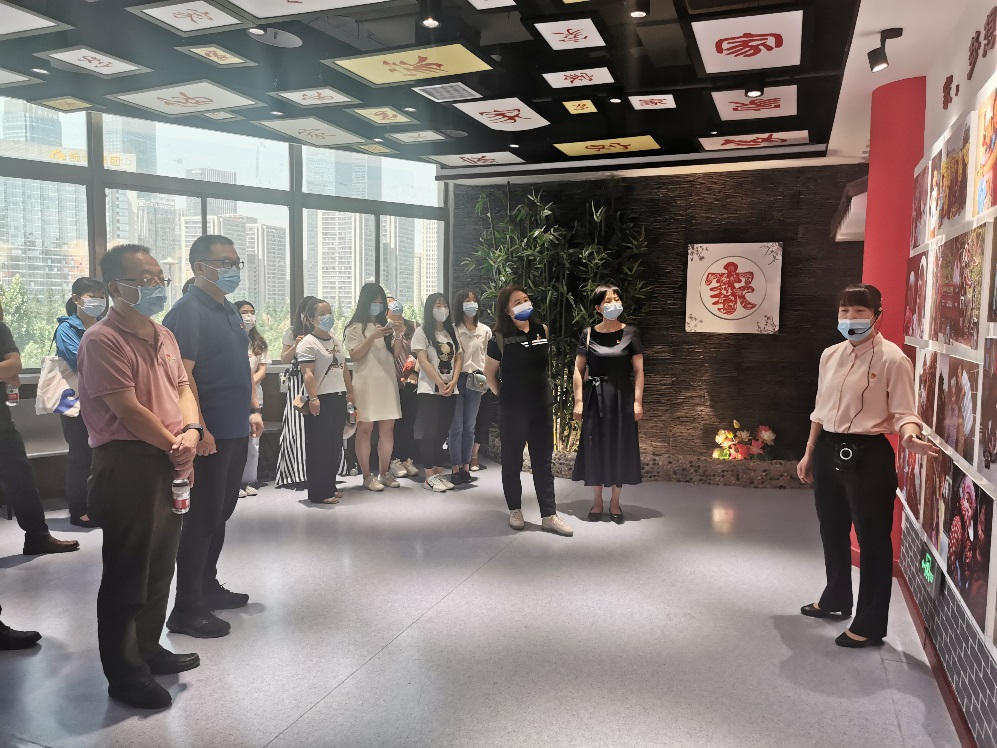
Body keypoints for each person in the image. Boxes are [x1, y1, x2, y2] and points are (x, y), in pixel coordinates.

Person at [76, 243, 200, 709]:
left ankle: (148, 648)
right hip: (128, 461)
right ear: (116, 287)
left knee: (160, 564)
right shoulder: (102, 340)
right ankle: (125, 674)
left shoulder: (162, 333)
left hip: (170, 453)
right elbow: (126, 409)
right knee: (127, 572)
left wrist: (191, 430)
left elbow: (183, 387)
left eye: (159, 278)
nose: (156, 287)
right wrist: (175, 445)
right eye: (145, 280)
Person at [797, 284, 938, 648]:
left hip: (868, 456)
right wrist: (810, 452)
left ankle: (870, 624)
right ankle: (835, 597)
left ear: (877, 315)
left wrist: (909, 437)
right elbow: (820, 409)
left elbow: (906, 412)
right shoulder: (830, 355)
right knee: (831, 529)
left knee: (873, 540)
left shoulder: (893, 359)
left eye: (859, 311)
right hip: (828, 449)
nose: (850, 318)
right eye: (844, 311)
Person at [163, 235, 263, 640]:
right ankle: (186, 608)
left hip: (234, 428)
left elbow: (237, 366)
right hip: (209, 434)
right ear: (198, 267)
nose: (232, 269)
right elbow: (181, 377)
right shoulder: (187, 311)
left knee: (220, 514)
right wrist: (199, 427)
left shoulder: (228, 308)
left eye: (236, 262)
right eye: (223, 262)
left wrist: (252, 410)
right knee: (201, 520)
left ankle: (208, 587)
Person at [484, 286, 573, 537]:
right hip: (513, 409)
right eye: (517, 302)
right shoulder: (499, 338)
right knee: (512, 461)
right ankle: (515, 509)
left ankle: (549, 515)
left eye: (526, 299)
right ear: (506, 310)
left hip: (541, 407)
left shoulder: (541, 330)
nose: (524, 304)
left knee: (543, 463)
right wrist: (505, 396)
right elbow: (490, 374)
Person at [0, 299, 80, 556]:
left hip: (2, 426)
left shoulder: (0, 329)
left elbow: (14, 367)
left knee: (21, 479)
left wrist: (8, 371)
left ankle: (38, 537)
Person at [571, 284, 645, 524]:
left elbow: (639, 371)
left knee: (619, 445)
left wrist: (637, 401)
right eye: (608, 300)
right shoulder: (588, 334)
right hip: (595, 397)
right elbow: (578, 370)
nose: (614, 304)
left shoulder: (631, 333)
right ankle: (597, 501)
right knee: (595, 446)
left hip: (622, 398)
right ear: (598, 308)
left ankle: (615, 501)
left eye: (617, 299)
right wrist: (579, 401)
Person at [54, 277, 106, 527]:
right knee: (80, 456)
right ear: (76, 299)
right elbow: (80, 361)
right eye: (93, 296)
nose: (99, 302)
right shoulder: (66, 329)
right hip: (74, 402)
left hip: (104, 401)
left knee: (103, 456)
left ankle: (100, 505)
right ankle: (79, 510)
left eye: (102, 297)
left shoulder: (107, 325)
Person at [297, 298, 355, 504]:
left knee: (334, 445)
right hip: (320, 399)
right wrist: (313, 398)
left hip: (338, 397)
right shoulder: (307, 343)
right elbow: (308, 374)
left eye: (329, 312)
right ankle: (318, 492)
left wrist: (350, 392)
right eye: (322, 314)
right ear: (311, 319)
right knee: (319, 447)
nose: (327, 317)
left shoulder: (335, 339)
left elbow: (343, 367)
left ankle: (330, 486)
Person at [344, 283, 402, 492]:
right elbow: (355, 355)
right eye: (374, 301)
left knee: (388, 428)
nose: (377, 305)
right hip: (365, 383)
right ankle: (367, 475)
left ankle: (384, 473)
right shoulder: (354, 327)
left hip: (387, 381)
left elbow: (395, 355)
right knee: (365, 429)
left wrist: (397, 334)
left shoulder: (385, 325)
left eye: (380, 302)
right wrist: (371, 337)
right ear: (365, 302)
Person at [412, 293, 461, 492]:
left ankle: (439, 472)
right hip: (429, 390)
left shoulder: (452, 331)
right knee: (430, 432)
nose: (442, 309)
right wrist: (440, 382)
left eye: (445, 305)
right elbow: (423, 361)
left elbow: (459, 357)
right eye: (438, 305)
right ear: (430, 308)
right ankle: (429, 475)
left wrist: (454, 380)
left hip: (451, 389)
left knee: (443, 432)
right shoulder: (422, 331)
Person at [449, 290, 491, 486]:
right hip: (457, 379)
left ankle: (466, 467)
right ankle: (455, 468)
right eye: (467, 300)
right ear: (460, 304)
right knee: (456, 426)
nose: (472, 304)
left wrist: (488, 381)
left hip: (478, 379)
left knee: (470, 426)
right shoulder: (453, 330)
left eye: (474, 300)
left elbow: (488, 357)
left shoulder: (485, 330)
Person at [275, 296, 315, 489]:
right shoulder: (292, 331)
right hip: (298, 384)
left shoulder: (324, 332)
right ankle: (296, 473)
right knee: (296, 426)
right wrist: (295, 345)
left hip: (318, 382)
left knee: (318, 427)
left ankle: (319, 472)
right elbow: (284, 359)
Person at [385, 294, 421, 481]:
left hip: (411, 382)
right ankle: (394, 460)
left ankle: (407, 459)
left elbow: (422, 351)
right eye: (388, 304)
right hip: (390, 383)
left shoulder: (414, 326)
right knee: (393, 424)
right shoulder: (383, 330)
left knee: (408, 423)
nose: (393, 306)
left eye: (394, 302)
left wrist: (413, 373)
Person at [236, 300, 268, 498]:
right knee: (237, 442)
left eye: (251, 312)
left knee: (253, 441)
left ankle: (249, 480)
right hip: (235, 397)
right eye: (244, 312)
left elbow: (262, 369)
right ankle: (235, 481)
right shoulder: (231, 339)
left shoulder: (259, 342)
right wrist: (243, 384)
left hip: (256, 397)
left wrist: (249, 383)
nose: (249, 316)